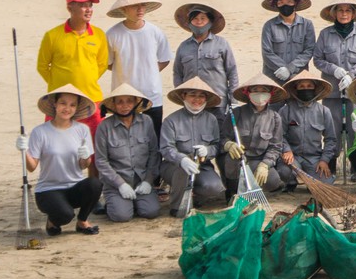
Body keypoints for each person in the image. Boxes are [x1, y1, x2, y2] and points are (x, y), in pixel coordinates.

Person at [25, 84, 100, 235]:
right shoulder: (40, 132)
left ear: (77, 108)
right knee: (65, 216)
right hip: (48, 190)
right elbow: (31, 167)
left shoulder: (82, 130)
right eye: (63, 103)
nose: (67, 108)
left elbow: (84, 166)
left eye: (72, 105)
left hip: (74, 186)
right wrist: (24, 151)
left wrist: (85, 157)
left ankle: (82, 221)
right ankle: (52, 221)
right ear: (55, 104)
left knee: (95, 184)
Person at [103, 0, 171, 139]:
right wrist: (126, 70)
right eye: (135, 6)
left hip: (152, 96)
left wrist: (149, 71)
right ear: (124, 9)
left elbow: (164, 59)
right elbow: (106, 63)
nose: (140, 9)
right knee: (124, 140)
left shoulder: (155, 32)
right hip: (123, 97)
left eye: (143, 5)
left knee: (153, 140)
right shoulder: (112, 34)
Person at [36, 0, 110, 125]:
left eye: (90, 5)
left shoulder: (99, 34)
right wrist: (59, 83)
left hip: (92, 97)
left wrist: (86, 79)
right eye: (83, 5)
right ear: (70, 7)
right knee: (56, 141)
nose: (88, 9)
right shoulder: (52, 35)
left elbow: (102, 64)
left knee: (94, 142)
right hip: (60, 100)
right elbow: (42, 66)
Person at [159, 77, 231, 216]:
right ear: (183, 96)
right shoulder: (171, 121)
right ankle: (177, 205)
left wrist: (207, 151)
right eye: (192, 95)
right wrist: (182, 159)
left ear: (206, 99)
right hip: (174, 167)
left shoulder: (211, 120)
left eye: (201, 96)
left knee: (214, 187)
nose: (197, 100)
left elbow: (216, 146)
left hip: (202, 166)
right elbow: (166, 149)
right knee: (183, 171)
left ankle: (194, 196)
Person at [93, 82, 162, 222]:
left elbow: (154, 153)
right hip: (116, 183)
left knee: (151, 211)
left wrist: (148, 181)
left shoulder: (146, 121)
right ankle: (115, 203)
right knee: (121, 216)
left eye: (129, 101)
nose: (125, 106)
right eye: (120, 102)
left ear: (136, 103)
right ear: (113, 105)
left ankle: (135, 201)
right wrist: (120, 184)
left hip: (141, 180)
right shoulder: (104, 127)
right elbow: (101, 161)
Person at [231, 77, 295, 194]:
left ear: (270, 94)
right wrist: (228, 145)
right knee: (230, 166)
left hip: (258, 160)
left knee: (273, 181)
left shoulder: (275, 118)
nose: (260, 94)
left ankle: (256, 189)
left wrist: (265, 164)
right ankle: (232, 189)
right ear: (248, 93)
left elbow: (276, 146)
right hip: (237, 160)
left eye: (264, 90)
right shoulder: (236, 113)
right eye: (255, 90)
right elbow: (223, 137)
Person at [172, 2, 240, 110]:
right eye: (195, 19)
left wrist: (233, 100)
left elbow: (232, 73)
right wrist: (182, 96)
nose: (199, 22)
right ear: (189, 22)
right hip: (192, 104)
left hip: (218, 102)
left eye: (203, 18)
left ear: (210, 22)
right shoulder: (183, 47)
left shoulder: (222, 44)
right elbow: (177, 74)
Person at [280, 73, 341, 180]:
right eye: (302, 87)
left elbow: (331, 139)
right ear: (296, 89)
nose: (305, 89)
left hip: (314, 158)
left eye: (309, 86)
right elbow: (279, 136)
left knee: (326, 182)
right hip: (293, 156)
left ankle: (310, 178)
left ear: (315, 89)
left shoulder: (324, 111)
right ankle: (291, 182)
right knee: (284, 172)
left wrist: (324, 160)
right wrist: (286, 150)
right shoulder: (286, 110)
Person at [313, 0, 356, 95]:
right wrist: (333, 70)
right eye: (340, 10)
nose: (344, 14)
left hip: (355, 89)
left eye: (348, 10)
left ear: (353, 14)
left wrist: (351, 75)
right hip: (331, 90)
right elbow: (317, 60)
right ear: (334, 13)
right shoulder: (324, 34)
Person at [259, 0, 317, 89]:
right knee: (274, 105)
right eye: (280, 2)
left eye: (289, 1)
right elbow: (267, 52)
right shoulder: (269, 25)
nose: (285, 5)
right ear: (276, 5)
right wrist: (282, 68)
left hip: (298, 78)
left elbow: (309, 50)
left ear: (295, 3)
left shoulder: (307, 25)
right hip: (274, 76)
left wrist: (289, 69)